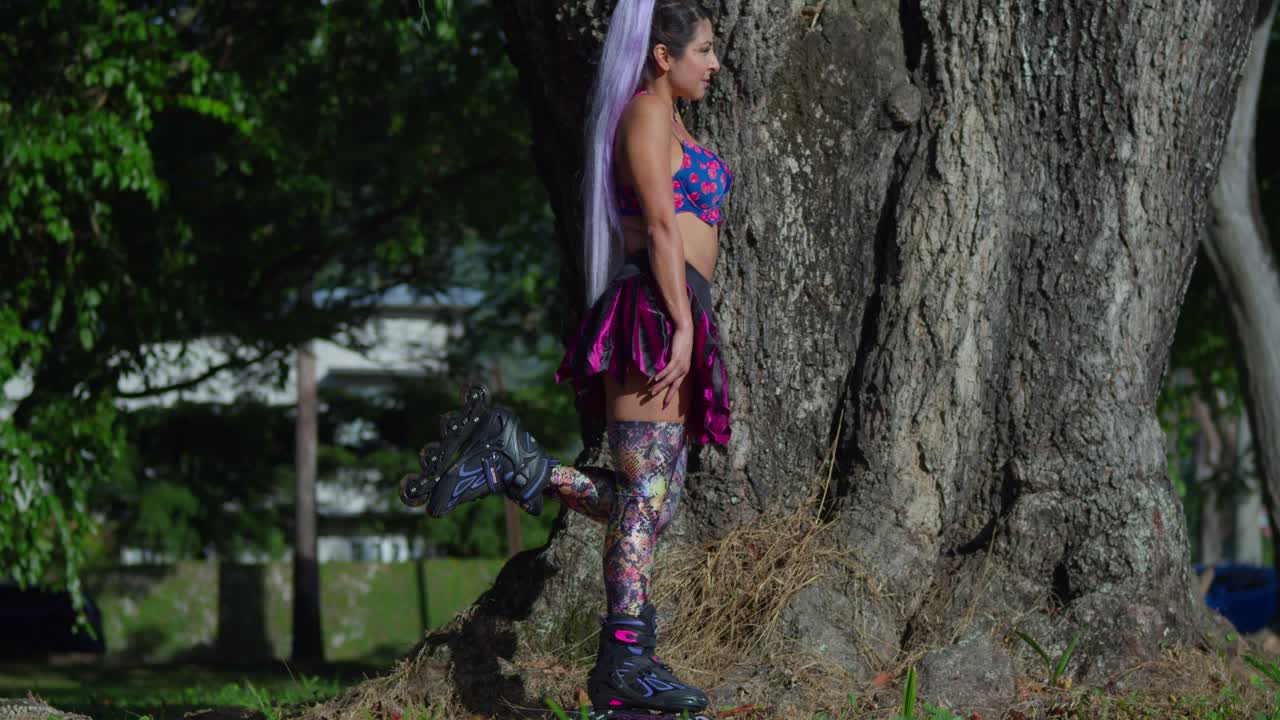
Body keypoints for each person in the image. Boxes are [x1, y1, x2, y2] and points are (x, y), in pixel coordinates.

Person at [400, 0, 730, 715]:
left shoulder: (673, 119)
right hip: (655, 308)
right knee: (643, 501)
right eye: (702, 49)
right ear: (663, 55)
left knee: (649, 505)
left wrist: (690, 321)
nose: (713, 62)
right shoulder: (645, 112)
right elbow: (664, 227)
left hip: (679, 307)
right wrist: (679, 325)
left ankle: (515, 459)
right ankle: (625, 661)